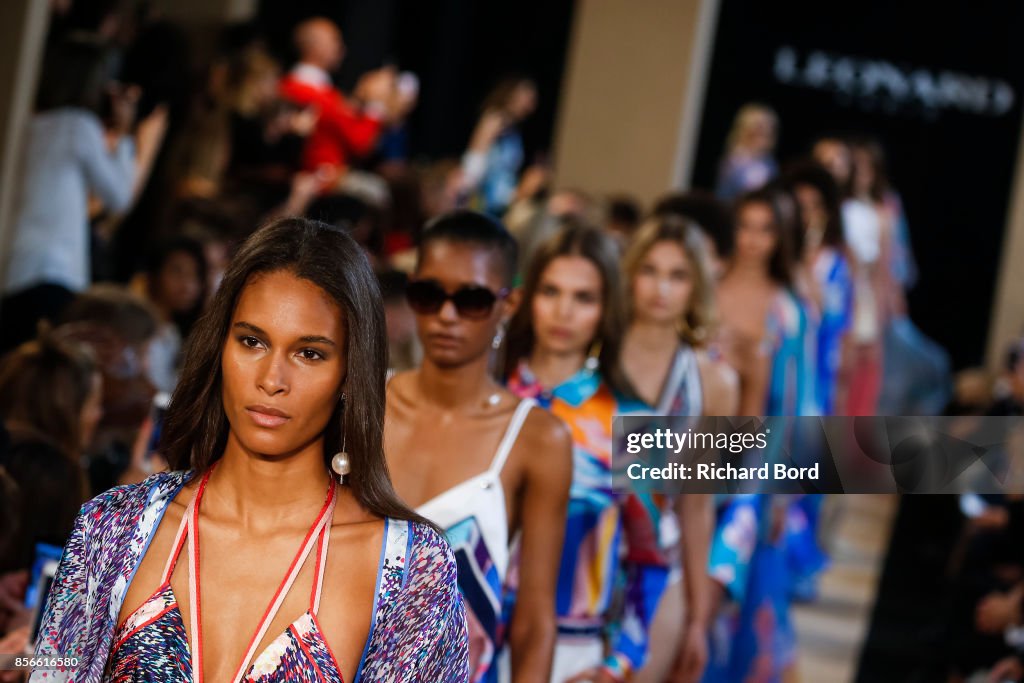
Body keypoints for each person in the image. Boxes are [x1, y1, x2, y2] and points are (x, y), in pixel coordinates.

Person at [29, 217, 469, 682]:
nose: (271, 380)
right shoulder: (111, 528)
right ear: (220, 347)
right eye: (252, 341)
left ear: (350, 374)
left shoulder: (410, 571)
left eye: (309, 353)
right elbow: (50, 668)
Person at [385, 210, 573, 682]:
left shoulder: (538, 440)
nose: (446, 315)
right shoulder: (363, 404)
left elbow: (533, 619)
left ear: (508, 305)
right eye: (429, 295)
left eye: (470, 299)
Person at [503, 225, 667, 683]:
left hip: (572, 656)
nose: (563, 311)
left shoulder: (634, 424)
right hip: (457, 645)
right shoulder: (483, 399)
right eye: (550, 291)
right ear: (525, 297)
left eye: (584, 298)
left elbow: (651, 560)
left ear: (606, 310)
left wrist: (618, 664)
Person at [619, 216, 739, 683]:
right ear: (630, 275)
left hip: (658, 564)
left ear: (696, 287)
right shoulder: (590, 357)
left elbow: (697, 502)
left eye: (677, 275)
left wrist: (698, 620)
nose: (660, 288)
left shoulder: (716, 382)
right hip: (578, 550)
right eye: (649, 270)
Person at [0, 39, 166, 353]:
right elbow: (118, 196)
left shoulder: (25, 120)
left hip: (14, 265)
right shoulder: (77, 126)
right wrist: (126, 133)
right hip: (53, 269)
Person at [279, 17, 411, 192]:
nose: (341, 48)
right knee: (377, 192)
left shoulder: (316, 90)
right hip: (319, 180)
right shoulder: (306, 91)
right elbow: (360, 143)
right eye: (334, 40)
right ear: (315, 46)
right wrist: (375, 104)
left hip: (325, 178)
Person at [782, 161, 854, 415]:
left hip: (815, 380)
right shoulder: (775, 259)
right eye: (800, 207)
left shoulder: (835, 266)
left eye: (815, 207)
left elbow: (835, 323)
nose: (807, 215)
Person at [134, 236, 208, 395]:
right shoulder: (136, 330)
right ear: (154, 275)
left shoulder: (174, 333)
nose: (187, 285)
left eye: (194, 275)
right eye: (177, 272)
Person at [462, 77, 538, 216]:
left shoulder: (513, 132)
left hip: (500, 202)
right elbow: (475, 158)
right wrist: (467, 191)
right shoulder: (494, 120)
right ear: (512, 95)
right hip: (482, 199)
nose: (530, 106)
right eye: (526, 98)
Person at [715, 104, 779, 201]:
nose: (766, 131)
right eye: (760, 127)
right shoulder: (734, 160)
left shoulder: (770, 164)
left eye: (770, 127)